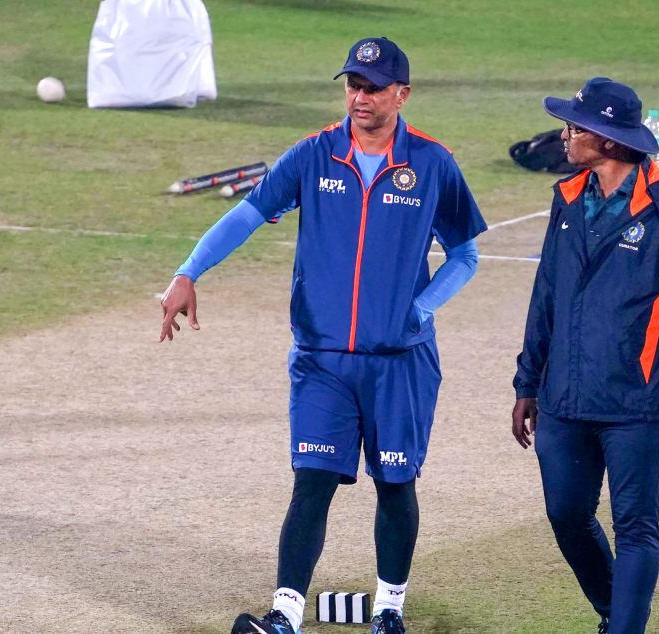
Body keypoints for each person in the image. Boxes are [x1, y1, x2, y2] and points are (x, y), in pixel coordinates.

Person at [159, 37, 487, 634]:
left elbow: (465, 256)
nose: (360, 97)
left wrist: (419, 311)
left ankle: (389, 611)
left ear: (402, 94)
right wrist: (188, 272)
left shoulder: (433, 163)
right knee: (310, 482)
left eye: (373, 88)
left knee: (395, 484)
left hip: (400, 363)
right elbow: (247, 215)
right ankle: (284, 615)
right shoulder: (313, 154)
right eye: (353, 85)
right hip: (322, 360)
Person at [511, 77, 659, 634]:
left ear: (607, 140)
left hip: (636, 399)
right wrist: (527, 382)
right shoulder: (566, 199)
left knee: (635, 527)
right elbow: (546, 294)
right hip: (563, 396)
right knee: (566, 514)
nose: (564, 136)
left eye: (574, 127)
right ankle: (615, 613)